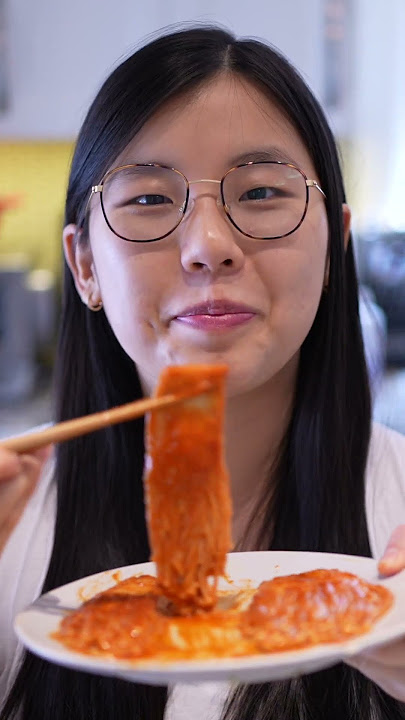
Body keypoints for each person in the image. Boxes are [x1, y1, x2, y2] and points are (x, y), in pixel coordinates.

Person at [0, 25, 405, 720]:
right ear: (86, 265)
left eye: (261, 193)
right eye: (150, 200)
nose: (208, 247)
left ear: (335, 246)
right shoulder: (14, 523)